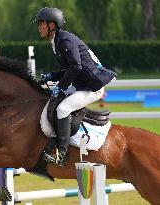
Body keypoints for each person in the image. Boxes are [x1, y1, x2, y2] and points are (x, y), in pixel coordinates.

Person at [33, 7, 116, 166]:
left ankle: (61, 154)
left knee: (63, 109)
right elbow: (67, 68)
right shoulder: (57, 40)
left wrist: (61, 86)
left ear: (52, 25)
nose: (39, 27)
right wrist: (51, 76)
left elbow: (76, 67)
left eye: (41, 23)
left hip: (92, 87)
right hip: (81, 84)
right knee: (52, 98)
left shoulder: (64, 41)